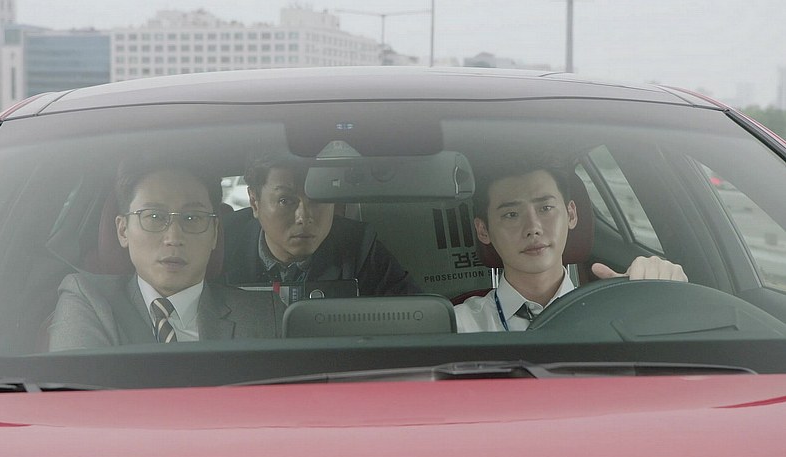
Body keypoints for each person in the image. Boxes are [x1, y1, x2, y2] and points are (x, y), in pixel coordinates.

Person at [47, 157, 281, 351]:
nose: (174, 237)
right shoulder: (90, 300)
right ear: (123, 230)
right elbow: (77, 391)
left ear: (214, 233)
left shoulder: (262, 314)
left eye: (192, 218)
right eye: (154, 217)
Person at [454, 156, 687, 332]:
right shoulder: (458, 325)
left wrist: (665, 297)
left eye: (546, 208)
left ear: (571, 214)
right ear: (483, 230)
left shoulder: (617, 314)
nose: (533, 227)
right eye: (511, 214)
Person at [222, 154, 420, 296]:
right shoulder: (221, 246)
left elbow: (415, 318)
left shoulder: (359, 247)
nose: (303, 217)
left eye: (317, 199)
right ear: (254, 202)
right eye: (285, 201)